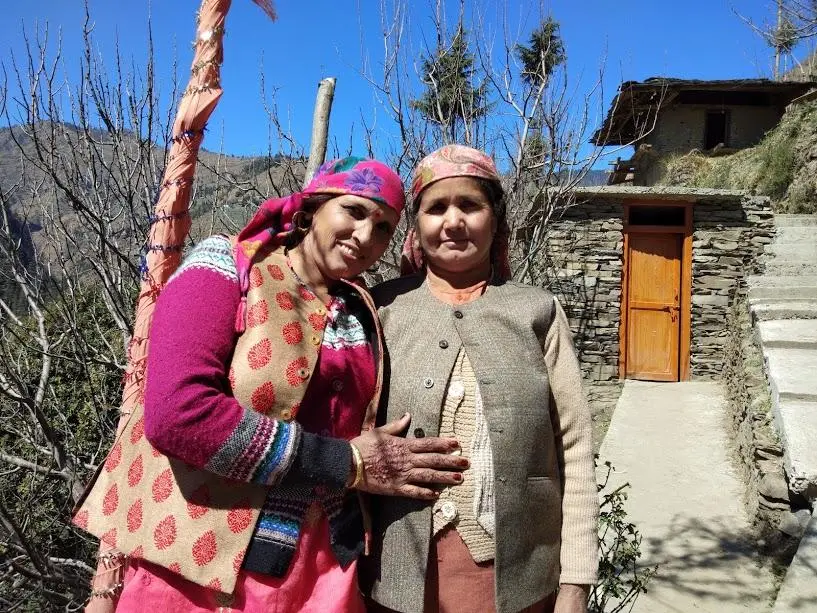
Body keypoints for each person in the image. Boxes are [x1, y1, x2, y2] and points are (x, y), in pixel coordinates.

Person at [74, 157, 467, 612]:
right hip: (201, 570)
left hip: (323, 574)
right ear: (312, 209)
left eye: (383, 228)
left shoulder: (361, 310)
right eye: (354, 211)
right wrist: (348, 461)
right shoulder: (228, 266)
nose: (365, 236)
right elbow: (178, 414)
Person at [361, 146, 599, 613]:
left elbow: (574, 446)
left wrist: (575, 581)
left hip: (521, 584)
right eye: (436, 208)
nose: (453, 222)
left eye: (470, 205)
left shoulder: (537, 312)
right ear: (416, 225)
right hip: (391, 578)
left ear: (496, 218)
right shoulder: (380, 309)